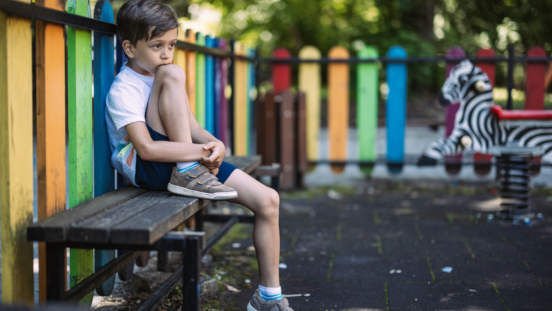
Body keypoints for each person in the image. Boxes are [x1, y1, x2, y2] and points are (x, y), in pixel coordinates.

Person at [106, 0, 292, 310]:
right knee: (172, 74)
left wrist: (214, 143)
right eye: (157, 46)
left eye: (172, 44)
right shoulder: (124, 89)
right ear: (129, 47)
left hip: (184, 162)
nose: (166, 54)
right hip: (152, 167)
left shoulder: (162, 76)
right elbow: (147, 149)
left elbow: (190, 127)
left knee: (268, 200)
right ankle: (188, 170)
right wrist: (196, 153)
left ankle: (268, 298)